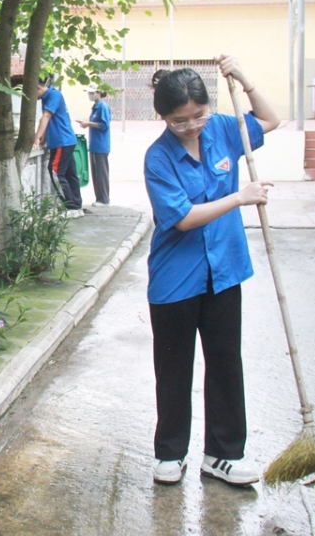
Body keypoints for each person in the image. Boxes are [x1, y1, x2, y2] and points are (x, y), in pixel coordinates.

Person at [143, 56, 280, 487]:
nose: (191, 126)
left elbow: (272, 119)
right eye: (179, 120)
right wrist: (240, 198)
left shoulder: (223, 127)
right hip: (175, 279)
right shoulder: (158, 158)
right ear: (162, 117)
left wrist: (244, 78)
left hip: (224, 269)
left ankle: (222, 455)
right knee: (174, 367)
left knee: (225, 362)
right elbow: (182, 218)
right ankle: (170, 454)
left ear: (209, 108)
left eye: (197, 115)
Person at [34, 76, 83, 216]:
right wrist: (43, 138)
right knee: (70, 174)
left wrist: (37, 137)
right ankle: (77, 206)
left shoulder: (54, 95)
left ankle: (71, 206)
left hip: (62, 141)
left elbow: (46, 117)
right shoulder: (47, 97)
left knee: (55, 172)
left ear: (38, 88)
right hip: (66, 140)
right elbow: (47, 119)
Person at [75, 89, 111, 206]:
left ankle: (104, 199)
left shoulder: (103, 107)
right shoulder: (95, 107)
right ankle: (99, 198)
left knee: (101, 173)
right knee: (96, 173)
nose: (90, 95)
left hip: (101, 145)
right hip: (94, 144)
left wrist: (89, 124)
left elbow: (104, 125)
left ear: (99, 93)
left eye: (93, 92)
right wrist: (87, 123)